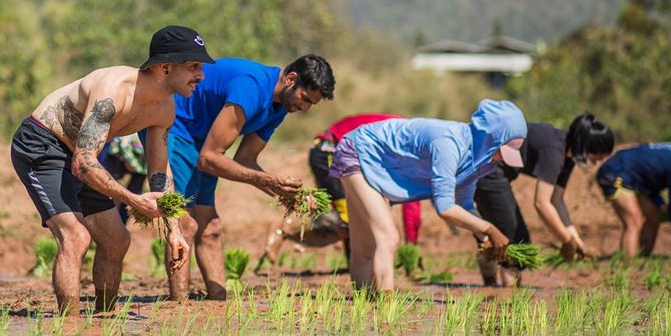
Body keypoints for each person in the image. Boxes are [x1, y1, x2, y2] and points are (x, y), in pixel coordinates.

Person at [10, 26, 213, 315]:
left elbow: (159, 172)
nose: (201, 76)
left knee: (117, 240)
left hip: (83, 156)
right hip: (44, 144)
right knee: (76, 236)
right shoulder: (114, 88)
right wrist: (133, 199)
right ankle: (69, 325)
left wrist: (174, 229)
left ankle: (103, 318)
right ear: (165, 68)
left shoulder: (165, 108)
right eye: (193, 66)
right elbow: (84, 162)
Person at [151, 54, 336, 301]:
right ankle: (179, 303)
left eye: (311, 104)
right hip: (177, 126)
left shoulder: (280, 107)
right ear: (291, 79)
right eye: (304, 99)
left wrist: (289, 193)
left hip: (204, 140)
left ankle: (217, 301)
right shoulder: (252, 87)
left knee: (211, 226)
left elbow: (245, 160)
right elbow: (209, 159)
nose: (304, 108)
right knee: (186, 223)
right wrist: (268, 181)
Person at [329, 99, 527, 293]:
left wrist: (485, 237)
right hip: (358, 152)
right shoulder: (448, 144)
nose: (502, 158)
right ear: (489, 139)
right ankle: (385, 312)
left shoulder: (479, 161)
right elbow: (446, 209)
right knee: (387, 237)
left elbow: (465, 204)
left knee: (366, 245)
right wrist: (491, 229)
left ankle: (364, 304)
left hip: (379, 164)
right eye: (502, 150)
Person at [257, 113, 423, 271]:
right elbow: (411, 203)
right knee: (349, 217)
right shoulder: (409, 145)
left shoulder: (407, 132)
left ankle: (359, 267)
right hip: (330, 152)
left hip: (333, 151)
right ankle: (284, 229)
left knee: (358, 214)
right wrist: (412, 245)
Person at [474, 113, 615, 287]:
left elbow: (557, 200)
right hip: (488, 172)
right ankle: (506, 296)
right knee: (518, 243)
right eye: (597, 157)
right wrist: (565, 240)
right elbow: (541, 203)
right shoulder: (555, 151)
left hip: (491, 172)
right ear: (586, 147)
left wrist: (576, 241)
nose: (597, 162)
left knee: (495, 238)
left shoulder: (568, 156)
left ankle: (490, 288)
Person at [597, 142, 671, 259]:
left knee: (654, 214)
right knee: (634, 222)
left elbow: (649, 179)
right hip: (616, 172)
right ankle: (627, 267)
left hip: (627, 173)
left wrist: (660, 204)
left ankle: (643, 257)